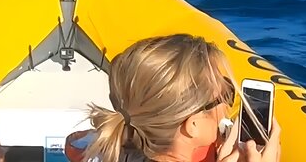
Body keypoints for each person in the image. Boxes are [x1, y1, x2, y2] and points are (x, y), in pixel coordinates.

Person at [67, 34, 280, 162]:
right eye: (225, 95)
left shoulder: (110, 149)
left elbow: (75, 143)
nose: (227, 106)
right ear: (193, 125)